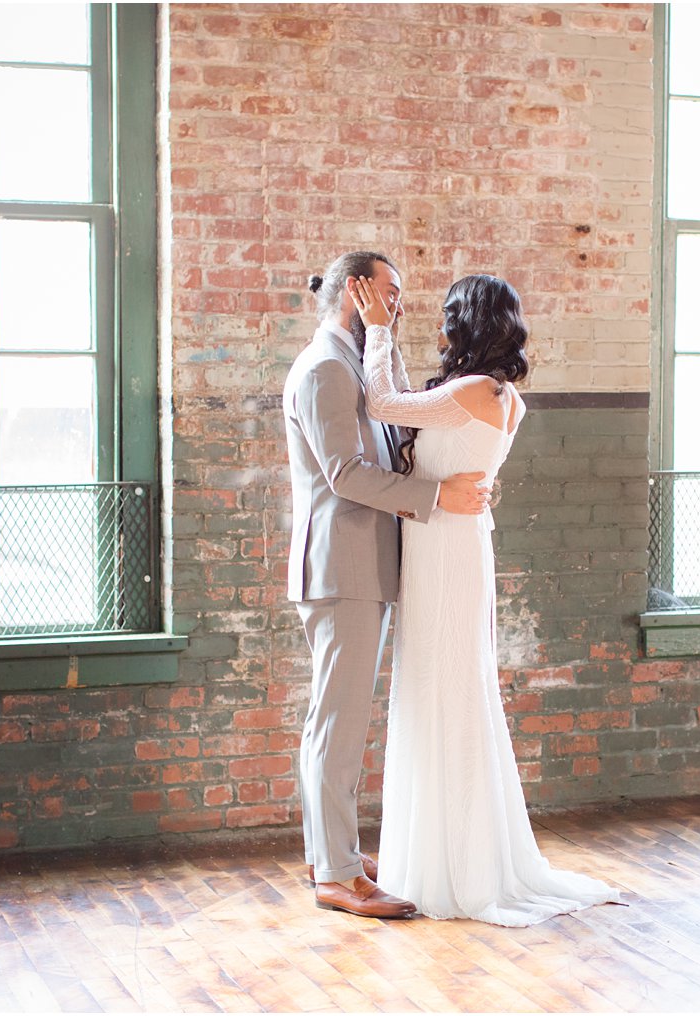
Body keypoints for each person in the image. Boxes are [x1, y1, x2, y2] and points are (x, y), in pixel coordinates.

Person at [349, 272, 621, 927]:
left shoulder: (471, 391)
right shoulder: (503, 397)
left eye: (447, 317)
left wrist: (380, 329)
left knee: (442, 689)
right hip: (457, 541)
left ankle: (456, 865)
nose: (440, 326)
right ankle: (448, 851)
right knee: (450, 689)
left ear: (468, 324)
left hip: (445, 548)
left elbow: (382, 404)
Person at [282, 250, 492, 920]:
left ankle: (330, 852)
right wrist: (435, 497)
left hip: (361, 565)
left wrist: (384, 338)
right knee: (337, 725)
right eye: (389, 290)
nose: (399, 301)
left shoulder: (352, 359)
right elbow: (344, 474)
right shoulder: (322, 368)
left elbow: (398, 421)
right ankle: (338, 875)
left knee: (335, 722)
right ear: (356, 287)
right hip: (341, 568)